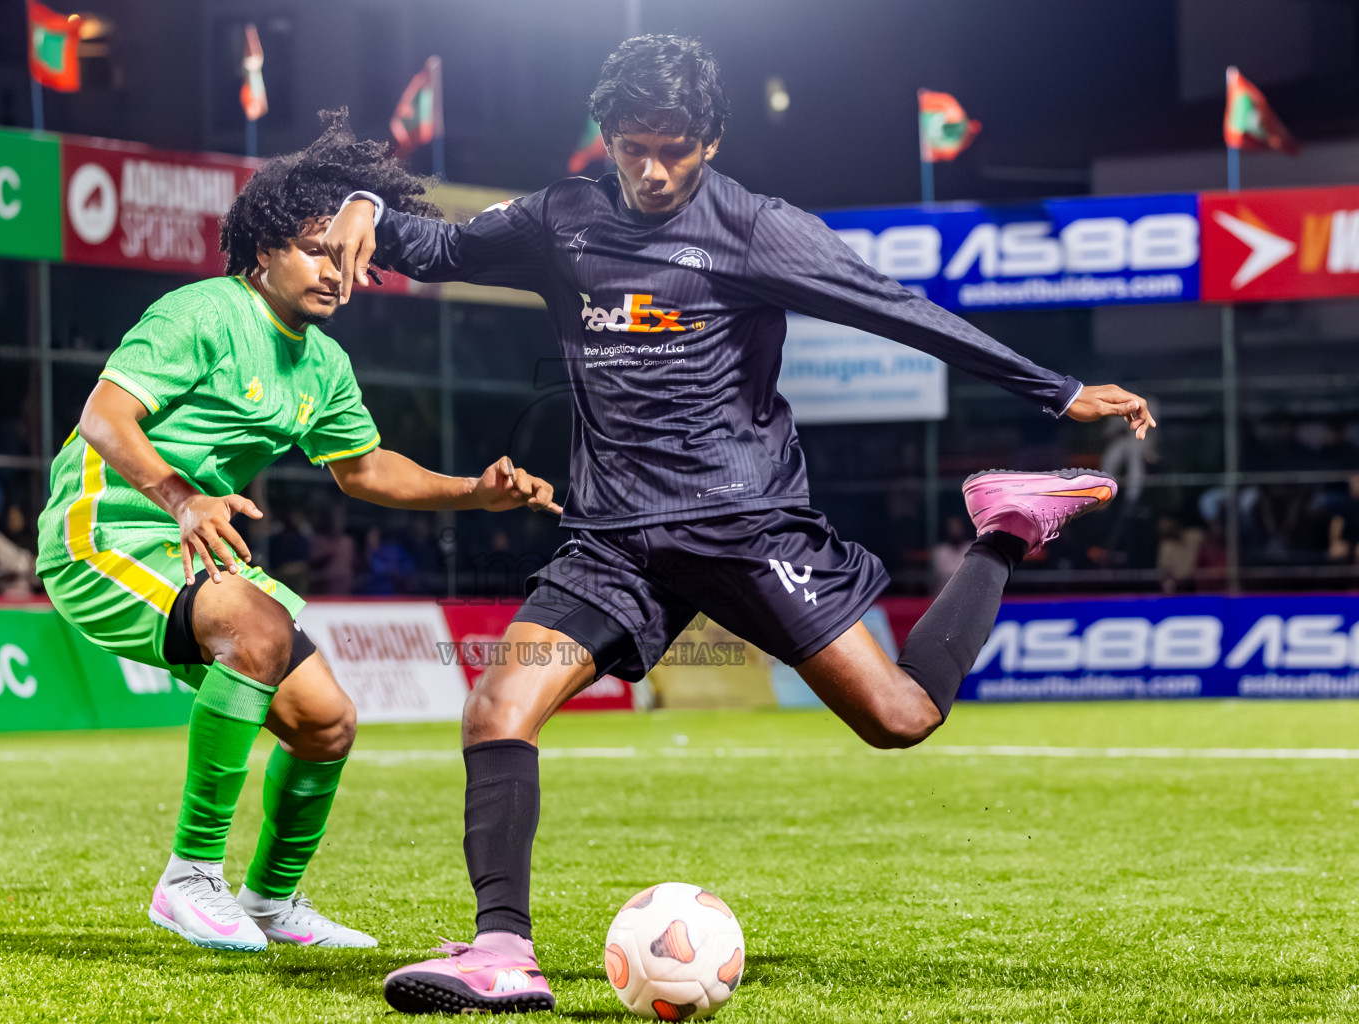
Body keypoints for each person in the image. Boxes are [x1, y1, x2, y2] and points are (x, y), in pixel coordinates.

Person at [324, 37, 1156, 1014]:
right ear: (609, 137)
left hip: (745, 526)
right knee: (494, 711)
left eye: (675, 148)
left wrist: (1057, 391)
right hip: (614, 539)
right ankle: (503, 949)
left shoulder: (761, 230)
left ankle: (1005, 526)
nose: (653, 169)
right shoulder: (564, 217)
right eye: (634, 145)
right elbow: (437, 248)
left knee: (900, 718)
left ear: (709, 142)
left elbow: (898, 311)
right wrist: (367, 205)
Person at [34, 111, 560, 955]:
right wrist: (179, 499)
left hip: (195, 543)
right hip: (106, 530)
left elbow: (364, 468)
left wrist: (475, 492)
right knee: (255, 624)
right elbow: (103, 415)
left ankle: (271, 902)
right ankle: (191, 876)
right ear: (264, 248)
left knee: (328, 723)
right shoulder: (202, 312)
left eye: (346, 255)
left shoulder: (323, 363)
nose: (337, 272)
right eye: (318, 250)